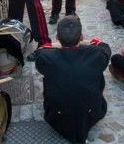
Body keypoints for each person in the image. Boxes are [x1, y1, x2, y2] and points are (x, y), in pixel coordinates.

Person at [36, 16, 111, 144]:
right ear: (81, 37)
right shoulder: (97, 54)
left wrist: (56, 45)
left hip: (57, 117)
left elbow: (41, 49)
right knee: (96, 73)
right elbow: (104, 46)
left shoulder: (45, 57)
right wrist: (84, 42)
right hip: (92, 114)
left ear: (57, 38)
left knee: (50, 76)